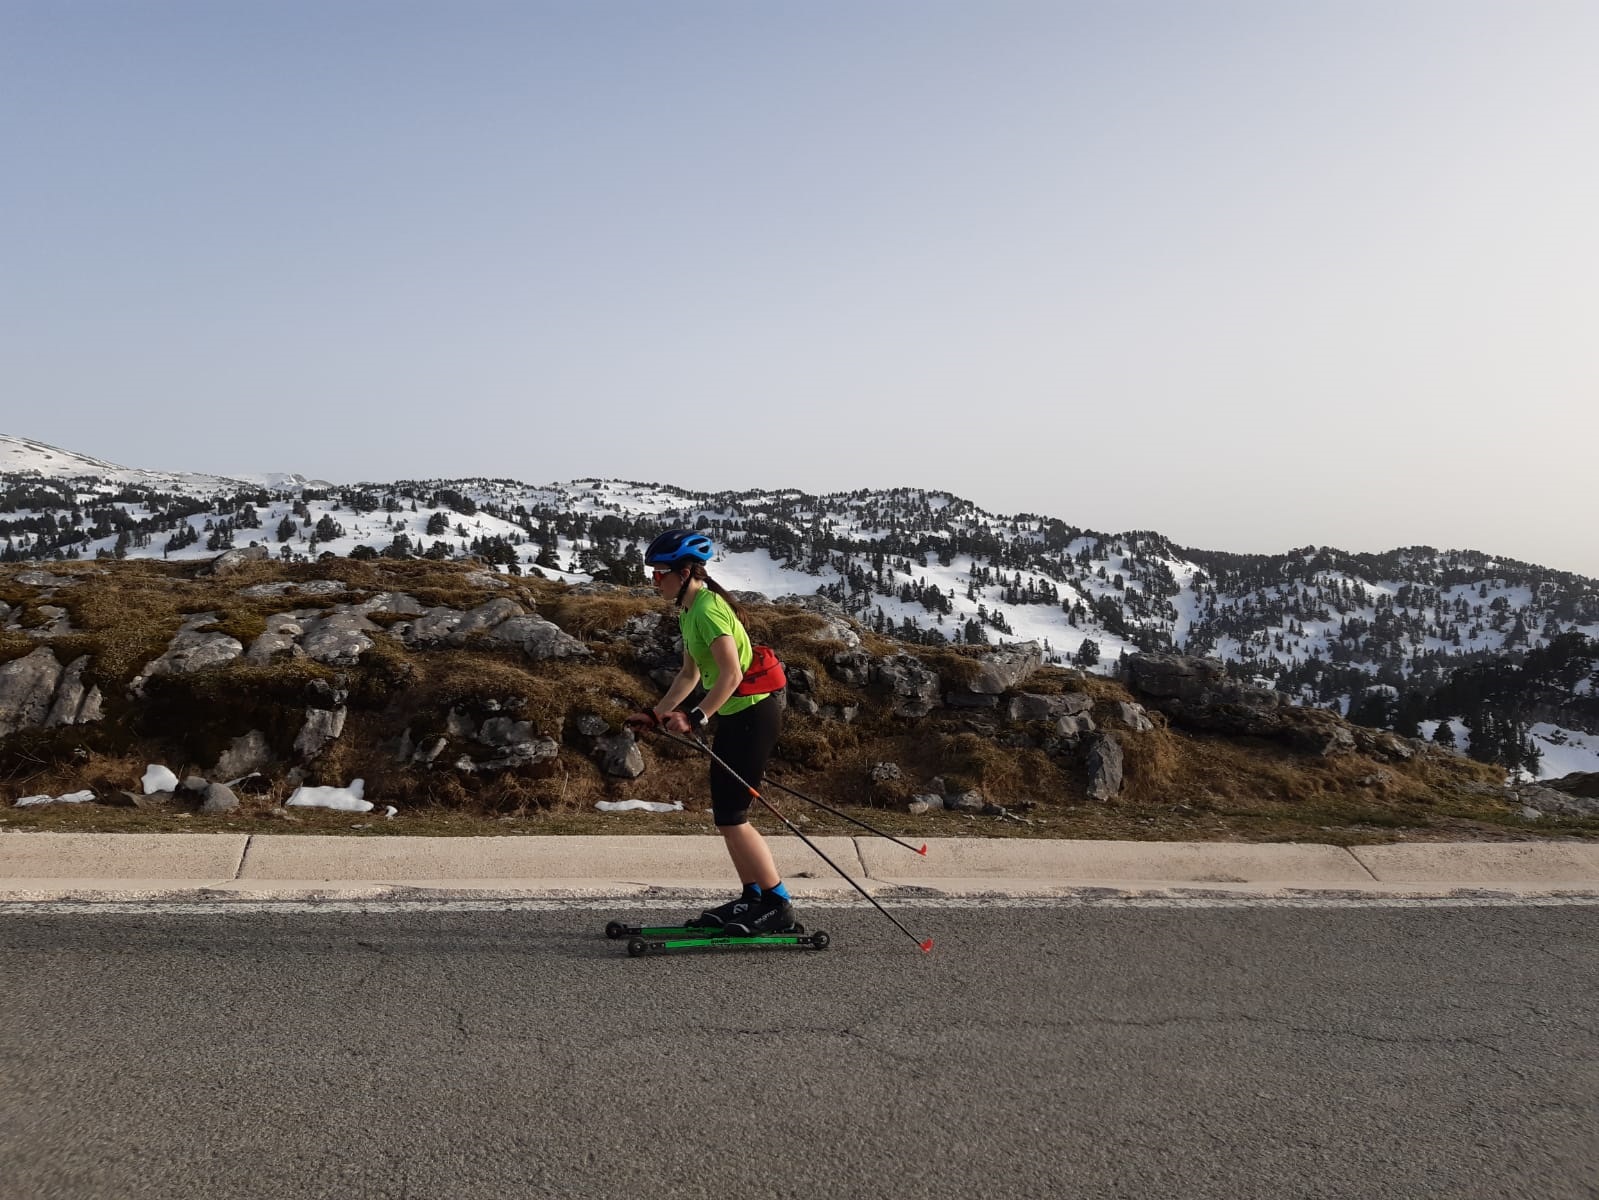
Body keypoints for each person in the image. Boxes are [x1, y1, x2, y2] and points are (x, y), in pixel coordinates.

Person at [625, 529, 793, 935]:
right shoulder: (689, 608)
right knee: (725, 815)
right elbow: (690, 673)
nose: (654, 581)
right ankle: (752, 897)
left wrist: (696, 718)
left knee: (734, 815)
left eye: (659, 574)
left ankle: (778, 902)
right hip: (737, 715)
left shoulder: (708, 610)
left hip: (755, 714)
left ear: (684, 573)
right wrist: (656, 712)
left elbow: (732, 674)